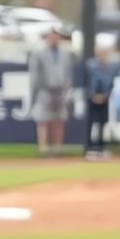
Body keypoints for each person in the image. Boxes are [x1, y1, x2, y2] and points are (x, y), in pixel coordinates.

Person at [27, 24, 77, 157]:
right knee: (43, 120)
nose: (54, 39)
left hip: (60, 90)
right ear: (47, 38)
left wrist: (68, 88)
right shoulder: (39, 53)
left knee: (59, 120)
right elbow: (34, 73)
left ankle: (57, 148)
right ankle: (43, 148)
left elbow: (68, 72)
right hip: (44, 89)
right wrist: (35, 90)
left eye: (56, 37)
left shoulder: (65, 54)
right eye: (51, 37)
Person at [83, 44, 120, 160]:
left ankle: (100, 147)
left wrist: (105, 95)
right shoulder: (91, 65)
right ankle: (89, 148)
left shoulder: (110, 68)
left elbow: (111, 83)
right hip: (92, 98)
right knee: (91, 122)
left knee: (102, 122)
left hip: (105, 98)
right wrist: (93, 95)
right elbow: (88, 81)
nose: (103, 57)